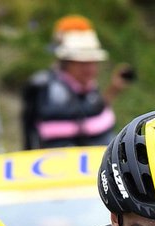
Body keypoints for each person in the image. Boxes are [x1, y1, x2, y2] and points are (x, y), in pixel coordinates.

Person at [21, 15, 133, 150]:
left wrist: (113, 90)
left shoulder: (89, 86)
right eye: (82, 63)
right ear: (66, 62)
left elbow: (93, 110)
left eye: (93, 62)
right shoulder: (47, 89)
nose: (90, 68)